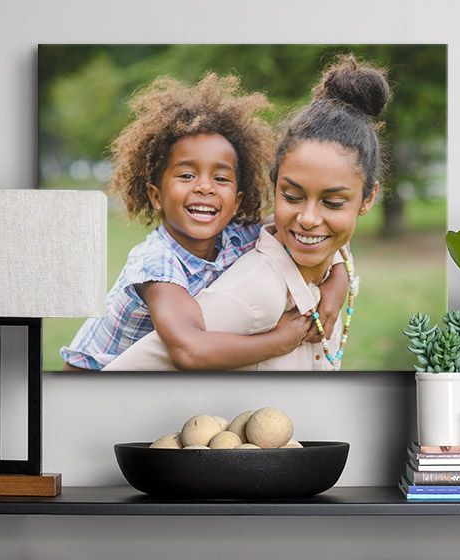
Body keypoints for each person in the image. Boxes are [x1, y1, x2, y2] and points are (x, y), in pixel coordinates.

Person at [105, 54, 389, 371]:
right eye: (292, 196)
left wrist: (339, 279)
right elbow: (188, 350)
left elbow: (320, 234)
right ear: (154, 195)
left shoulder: (239, 235)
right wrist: (278, 342)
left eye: (333, 202)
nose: (308, 218)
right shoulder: (158, 263)